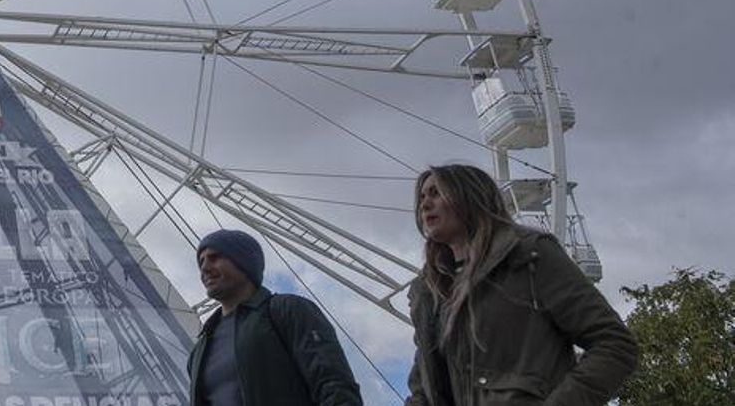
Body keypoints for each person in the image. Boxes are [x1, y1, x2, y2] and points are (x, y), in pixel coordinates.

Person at [405, 164, 637, 405]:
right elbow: (425, 386)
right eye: (422, 197)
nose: (424, 205)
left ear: (469, 196)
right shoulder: (430, 292)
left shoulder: (529, 256)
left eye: (436, 193)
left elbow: (615, 344)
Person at [187, 228, 362, 406]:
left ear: (244, 263)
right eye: (201, 262)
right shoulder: (199, 350)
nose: (205, 268)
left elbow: (333, 385)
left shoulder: (288, 311)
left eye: (215, 257)